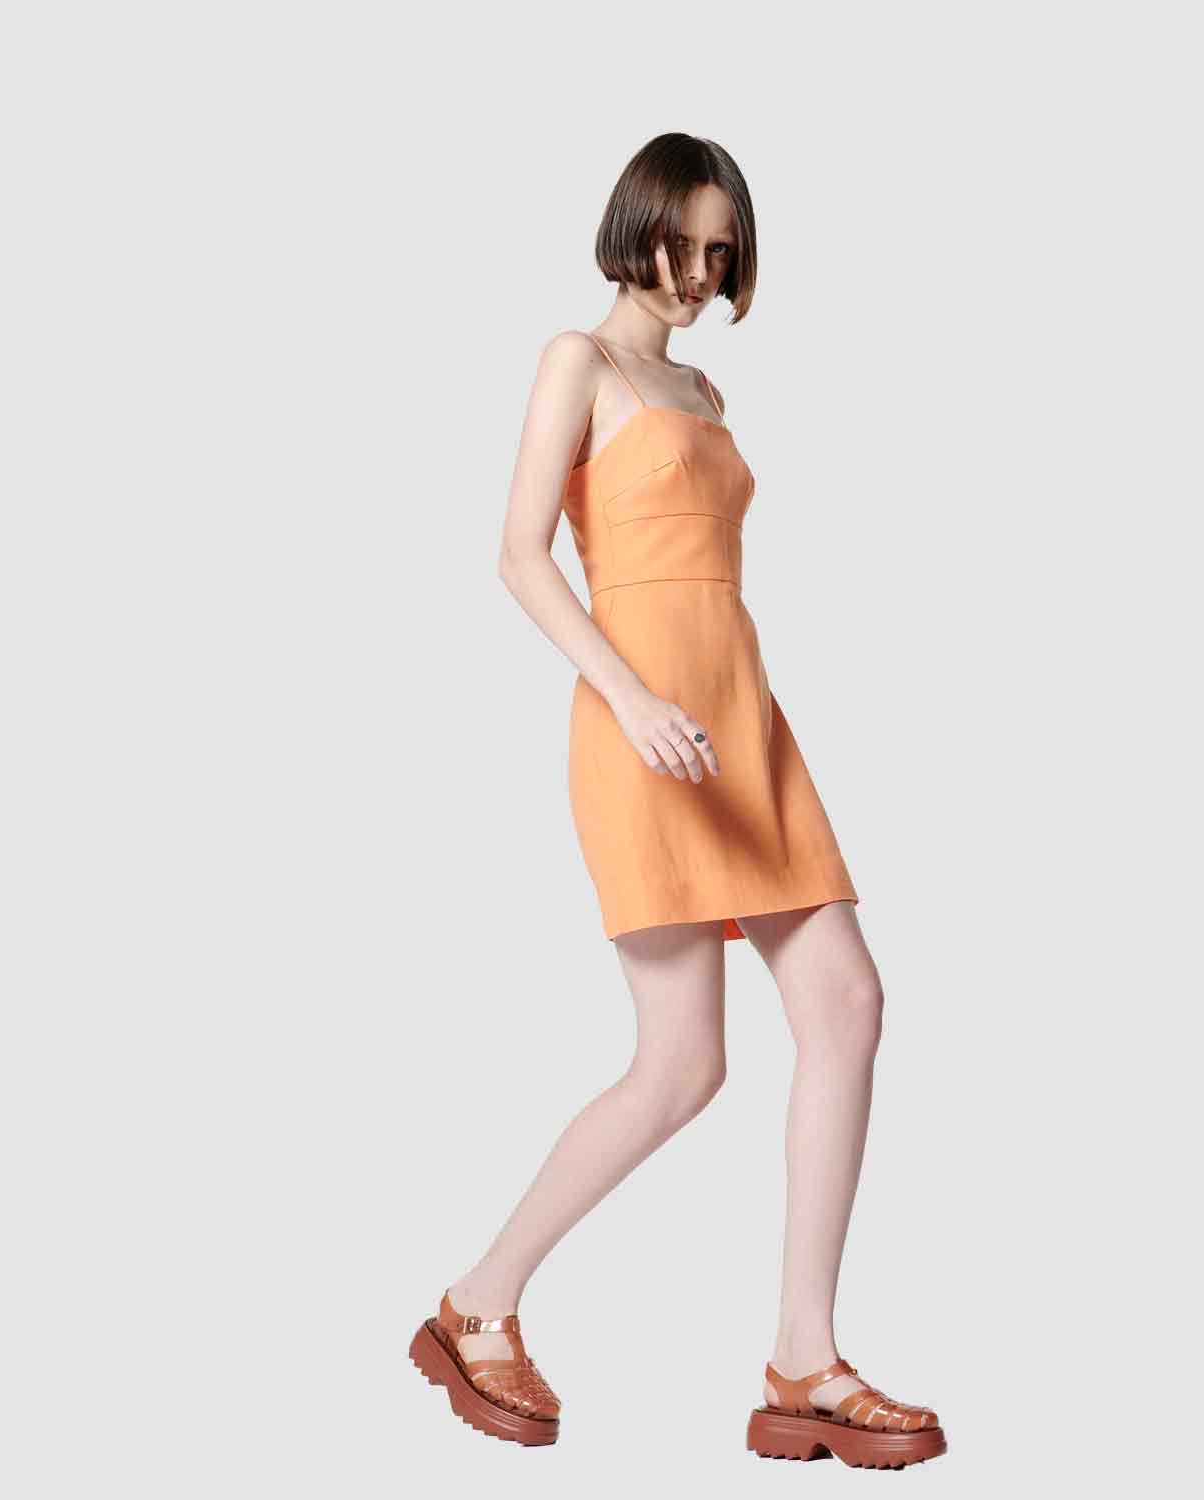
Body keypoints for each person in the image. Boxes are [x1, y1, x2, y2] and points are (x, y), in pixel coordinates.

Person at [407, 132, 945, 1470]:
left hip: (743, 722)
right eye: (686, 244)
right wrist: (632, 698)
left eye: (723, 252)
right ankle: (477, 1304)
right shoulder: (578, 362)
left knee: (848, 1003)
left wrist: (704, 703)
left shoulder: (701, 385)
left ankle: (804, 1358)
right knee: (682, 1064)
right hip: (642, 731)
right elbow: (520, 556)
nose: (702, 272)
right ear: (635, 222)